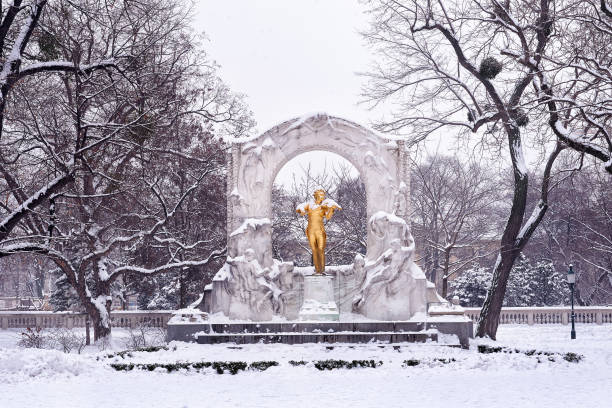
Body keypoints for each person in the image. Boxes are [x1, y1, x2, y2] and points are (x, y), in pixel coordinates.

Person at [296, 189, 341, 274]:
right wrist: (302, 210)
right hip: (311, 230)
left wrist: (331, 209)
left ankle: (322, 270)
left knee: (321, 249)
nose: (322, 197)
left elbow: (328, 217)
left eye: (323, 195)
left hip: (320, 230)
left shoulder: (324, 206)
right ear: (316, 196)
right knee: (314, 250)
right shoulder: (309, 205)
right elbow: (298, 208)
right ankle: (317, 271)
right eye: (321, 195)